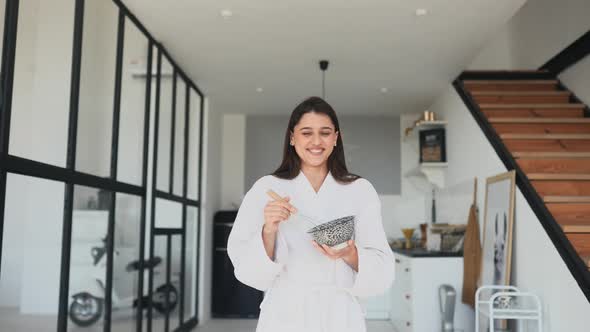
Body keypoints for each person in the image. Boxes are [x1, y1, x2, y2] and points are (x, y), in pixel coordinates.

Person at [227, 96, 395, 332]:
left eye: (325, 132)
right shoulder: (267, 188)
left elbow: (382, 266)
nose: (316, 141)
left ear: (336, 138)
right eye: (306, 133)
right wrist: (269, 229)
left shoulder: (360, 190)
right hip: (286, 314)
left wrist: (351, 253)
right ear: (292, 137)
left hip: (340, 314)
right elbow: (245, 267)